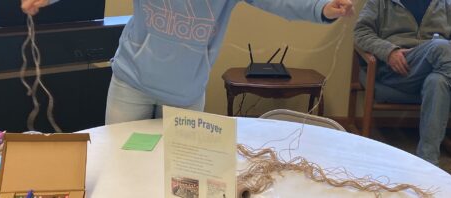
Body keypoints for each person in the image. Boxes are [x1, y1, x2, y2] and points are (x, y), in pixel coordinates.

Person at [21, 0, 354, 124]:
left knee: (178, 173)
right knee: (123, 159)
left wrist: (321, 8)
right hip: (131, 81)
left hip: (185, 92)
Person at [353, 0, 451, 164]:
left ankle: (427, 161)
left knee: (438, 80)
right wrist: (388, 51)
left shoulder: (448, 5)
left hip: (436, 68)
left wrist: (448, 50)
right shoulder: (379, 3)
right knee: (439, 47)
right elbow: (361, 33)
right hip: (396, 70)